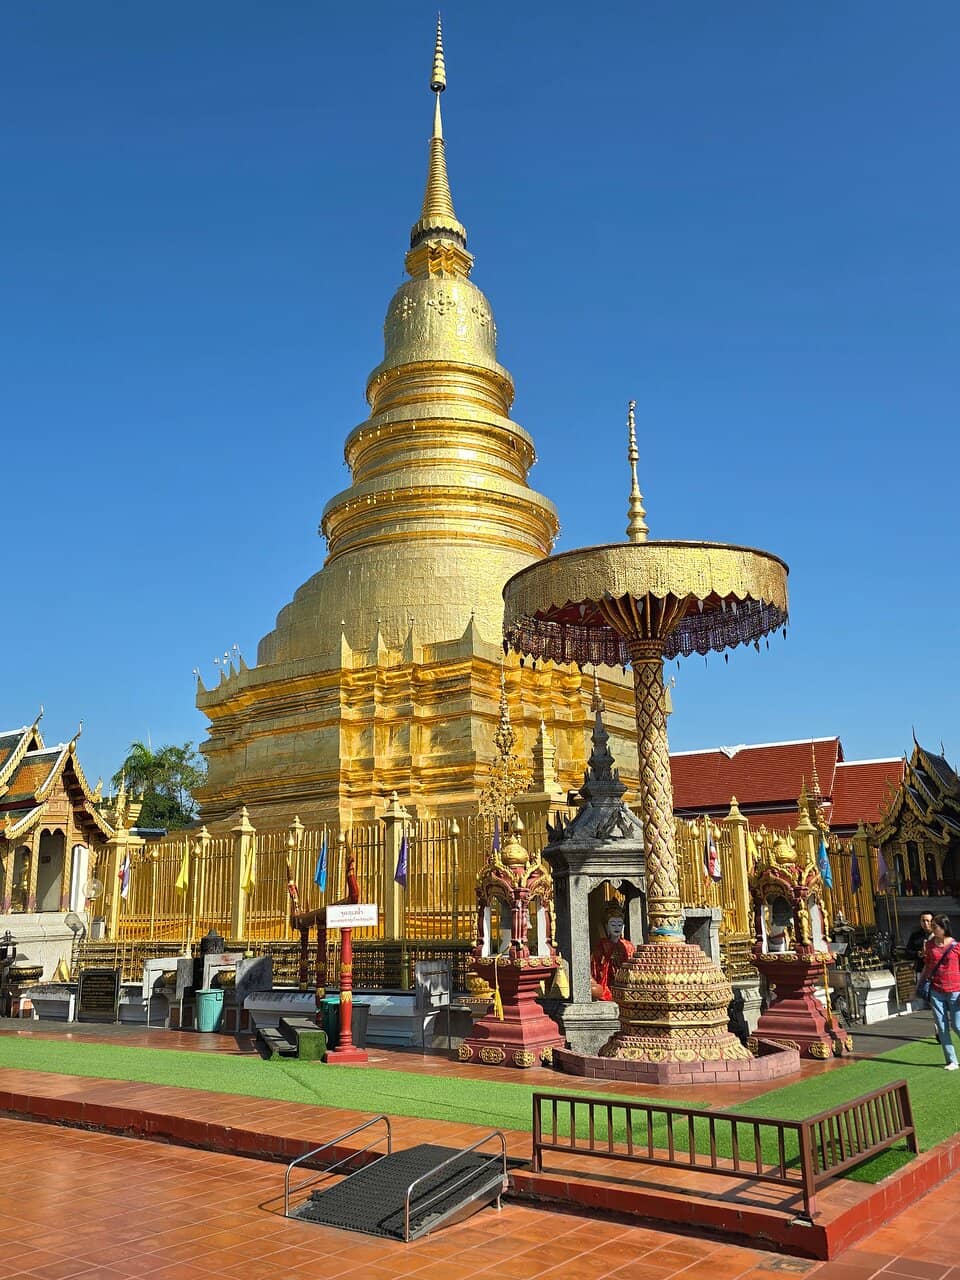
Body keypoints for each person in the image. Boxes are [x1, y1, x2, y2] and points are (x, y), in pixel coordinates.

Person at [919, 914, 960, 1070]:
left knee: (957, 1025)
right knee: (942, 1027)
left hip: (955, 990)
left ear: (944, 928)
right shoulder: (929, 945)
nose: (932, 928)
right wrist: (920, 984)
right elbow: (928, 965)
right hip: (936, 990)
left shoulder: (956, 946)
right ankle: (951, 1060)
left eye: (935, 926)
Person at [590, 903, 636, 1001]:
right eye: (613, 924)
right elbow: (595, 965)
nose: (616, 928)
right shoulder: (602, 945)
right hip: (607, 984)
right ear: (607, 926)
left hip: (624, 983)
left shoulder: (628, 946)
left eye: (619, 925)